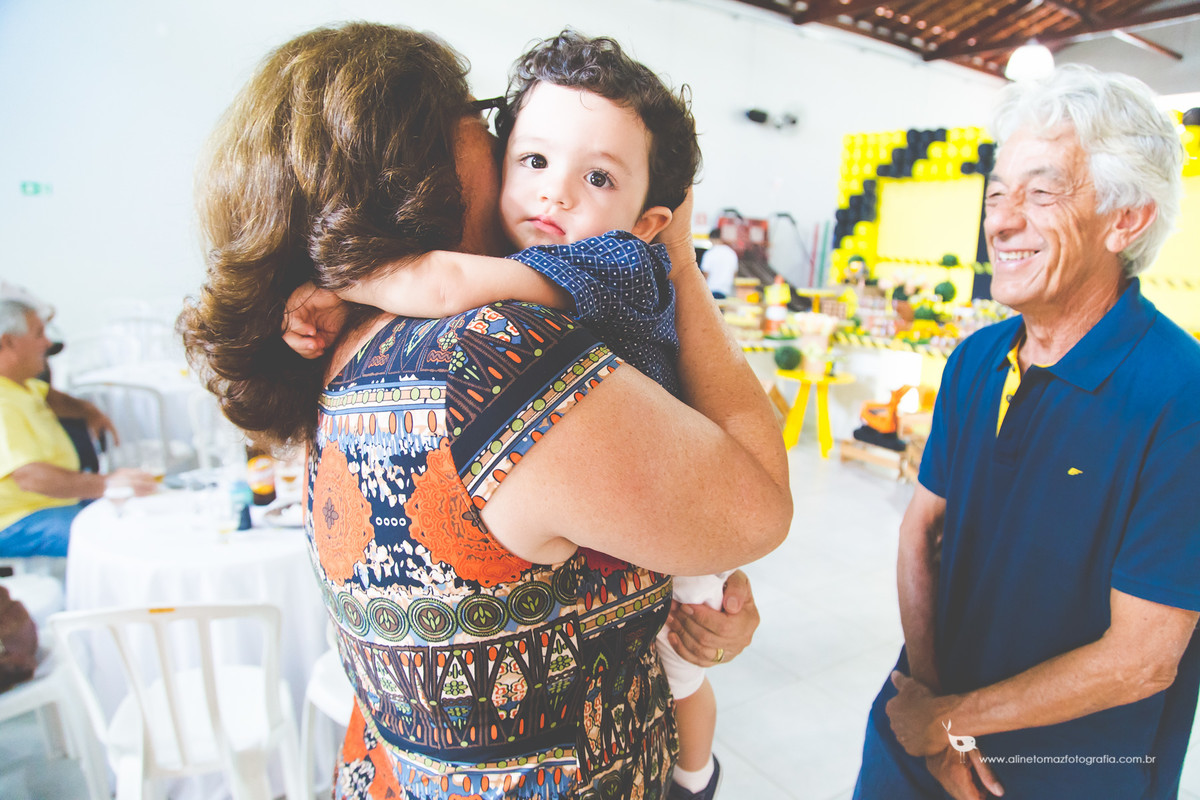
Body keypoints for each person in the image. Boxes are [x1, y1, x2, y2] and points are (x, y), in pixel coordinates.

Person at [180, 23, 791, 800]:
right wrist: (678, 260)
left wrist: (667, 599)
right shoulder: (492, 354)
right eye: (497, 130)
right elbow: (760, 506)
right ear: (420, 160)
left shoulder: (350, 348)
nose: (533, 171)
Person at [852, 65, 1200, 800]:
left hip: (1072, 770)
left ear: (1126, 217)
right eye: (998, 193)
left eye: (1040, 193)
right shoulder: (977, 358)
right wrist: (937, 706)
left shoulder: (1179, 395)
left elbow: (1144, 658)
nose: (1001, 221)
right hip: (919, 728)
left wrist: (954, 722)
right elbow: (922, 530)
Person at [0, 299, 156, 558]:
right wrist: (108, 483)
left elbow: (51, 397)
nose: (48, 343)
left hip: (53, 503)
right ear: (7, 343)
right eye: (39, 334)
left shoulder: (19, 385)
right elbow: (30, 477)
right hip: (17, 518)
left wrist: (89, 411)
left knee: (143, 511)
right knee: (115, 539)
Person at [699, 228, 738, 299]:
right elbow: (734, 274)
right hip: (726, 292)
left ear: (711, 239)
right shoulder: (731, 253)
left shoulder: (709, 254)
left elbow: (705, 274)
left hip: (711, 291)